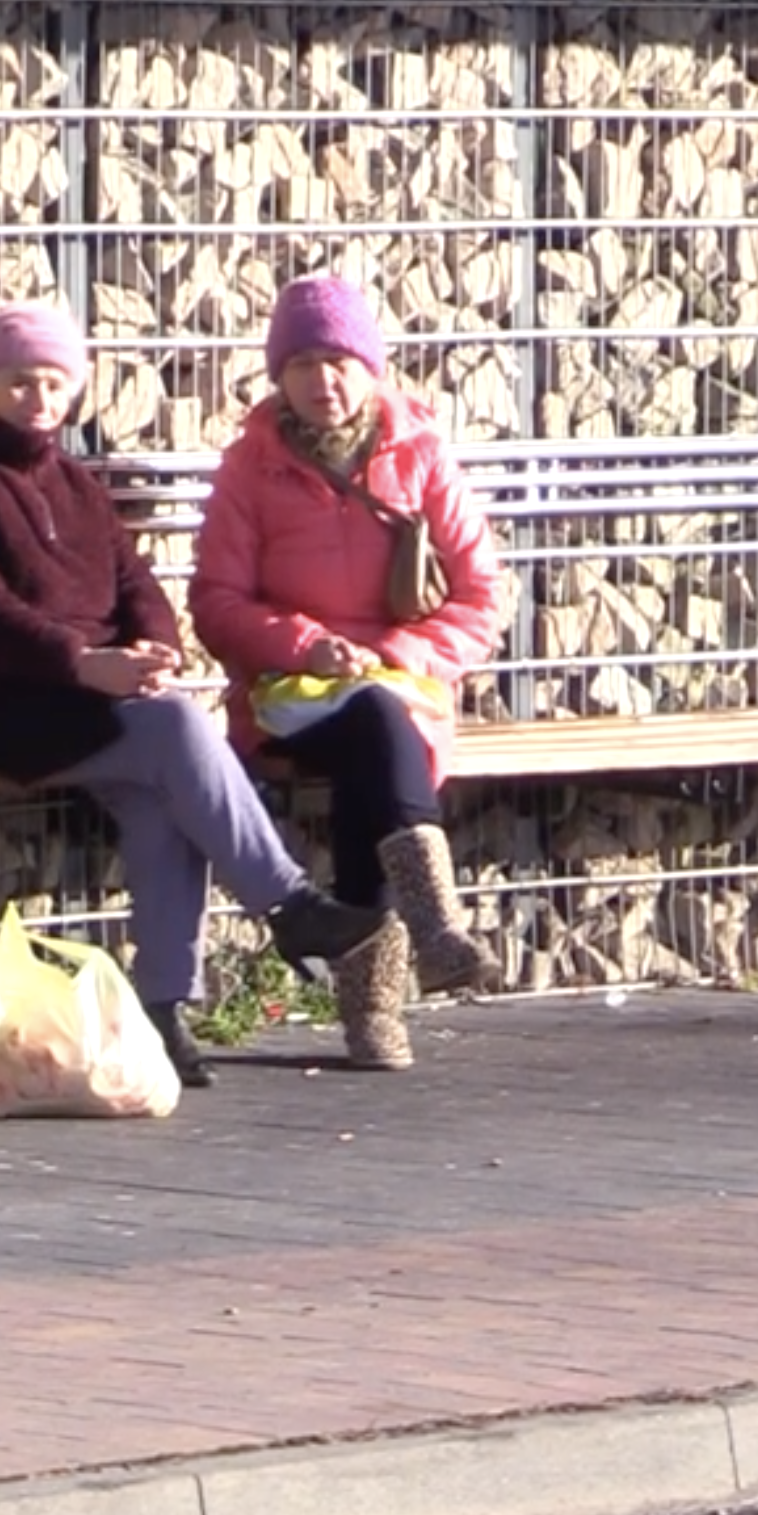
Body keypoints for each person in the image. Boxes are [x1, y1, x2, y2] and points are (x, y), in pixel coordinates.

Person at [0, 297, 385, 1090]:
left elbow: (134, 582)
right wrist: (79, 661)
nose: (41, 402)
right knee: (172, 732)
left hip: (87, 705)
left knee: (162, 792)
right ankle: (289, 906)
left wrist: (155, 646)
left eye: (57, 384)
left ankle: (165, 1010)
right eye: (20, 383)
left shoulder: (75, 483)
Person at [189, 272, 511, 1067]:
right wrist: (304, 644)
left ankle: (374, 1009)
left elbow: (481, 597)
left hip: (403, 682)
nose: (322, 382)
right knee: (373, 724)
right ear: (279, 377)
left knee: (379, 726)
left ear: (373, 368)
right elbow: (217, 603)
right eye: (302, 365)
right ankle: (429, 936)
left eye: (339, 362)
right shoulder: (250, 469)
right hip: (290, 693)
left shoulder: (422, 457)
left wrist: (402, 652)